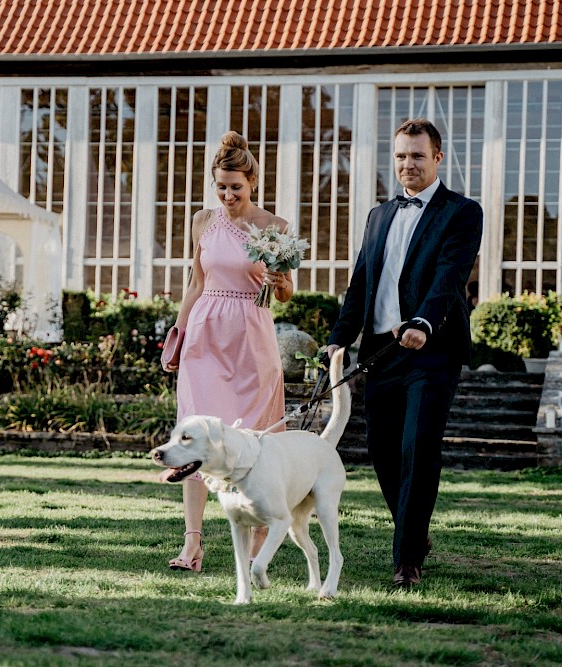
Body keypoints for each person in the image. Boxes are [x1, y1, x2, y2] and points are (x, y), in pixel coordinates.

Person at [325, 118, 482, 587]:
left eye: (416, 155)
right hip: (380, 352)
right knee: (382, 451)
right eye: (400, 156)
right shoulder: (378, 216)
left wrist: (424, 322)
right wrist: (339, 336)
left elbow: (450, 276)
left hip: (431, 351)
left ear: (437, 158)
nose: (407, 164)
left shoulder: (461, 212)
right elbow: (361, 284)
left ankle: (406, 559)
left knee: (418, 448)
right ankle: (414, 532)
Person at [163, 130, 293, 572]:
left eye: (235, 187)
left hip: (251, 338)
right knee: (194, 436)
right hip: (205, 336)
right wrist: (177, 335)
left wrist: (281, 284)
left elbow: (286, 292)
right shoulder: (202, 221)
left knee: (255, 437)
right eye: (221, 187)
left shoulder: (276, 228)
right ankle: (192, 544)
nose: (227, 195)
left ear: (252, 181)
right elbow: (196, 283)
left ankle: (258, 541)